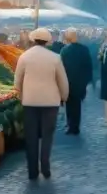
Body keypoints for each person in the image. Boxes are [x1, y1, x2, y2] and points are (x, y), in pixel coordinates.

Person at [14, 28, 69, 180]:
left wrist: (21, 95)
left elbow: (17, 82)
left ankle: (32, 170)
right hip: (51, 102)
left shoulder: (24, 57)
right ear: (47, 41)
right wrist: (64, 97)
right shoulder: (55, 57)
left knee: (31, 136)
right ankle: (45, 166)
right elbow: (62, 81)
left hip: (30, 102)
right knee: (47, 135)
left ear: (32, 40)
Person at [59, 29, 92, 135]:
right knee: (76, 105)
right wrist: (87, 81)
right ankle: (75, 126)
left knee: (69, 104)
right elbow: (88, 66)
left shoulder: (64, 50)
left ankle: (70, 125)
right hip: (80, 82)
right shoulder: (84, 49)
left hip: (68, 81)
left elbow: (61, 66)